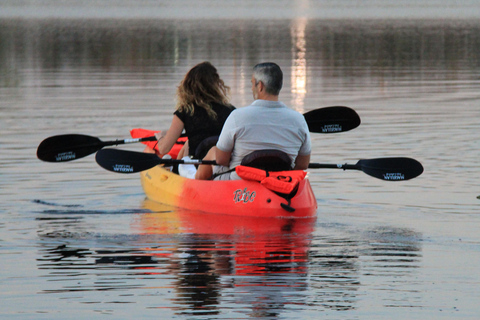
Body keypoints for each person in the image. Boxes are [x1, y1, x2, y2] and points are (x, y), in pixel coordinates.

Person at [196, 62, 311, 180]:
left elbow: (221, 160)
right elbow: (302, 164)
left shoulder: (237, 116)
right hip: (281, 183)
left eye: (252, 83)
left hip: (240, 184)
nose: (251, 88)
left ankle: (196, 191)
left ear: (260, 86)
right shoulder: (299, 120)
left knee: (214, 151)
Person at [155, 61, 235, 161]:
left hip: (197, 165)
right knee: (187, 143)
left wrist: (161, 137)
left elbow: (163, 149)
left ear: (188, 86)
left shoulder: (186, 111)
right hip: (222, 163)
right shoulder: (230, 110)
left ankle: (172, 168)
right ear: (216, 84)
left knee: (179, 148)